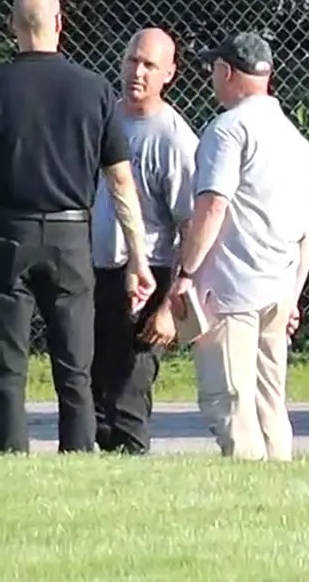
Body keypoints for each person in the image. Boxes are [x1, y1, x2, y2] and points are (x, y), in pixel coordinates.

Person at [0, 0, 154, 453]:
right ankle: (79, 451)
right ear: (59, 24)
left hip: (9, 232)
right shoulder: (94, 89)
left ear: (12, 27)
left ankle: (10, 451)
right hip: (71, 235)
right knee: (75, 364)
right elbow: (121, 183)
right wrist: (139, 258)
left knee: (7, 362)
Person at [170, 31, 309, 462]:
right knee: (270, 405)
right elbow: (307, 230)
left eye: (215, 69)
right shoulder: (296, 140)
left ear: (227, 71)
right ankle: (280, 494)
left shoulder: (228, 130)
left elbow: (214, 204)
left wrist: (186, 274)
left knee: (230, 401)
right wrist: (293, 296)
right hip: (277, 289)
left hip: (232, 290)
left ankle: (249, 490)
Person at [89, 27, 199, 454]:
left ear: (169, 73)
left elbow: (190, 229)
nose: (137, 72)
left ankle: (132, 468)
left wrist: (171, 306)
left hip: (146, 277)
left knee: (128, 396)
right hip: (93, 269)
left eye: (150, 65)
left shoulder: (173, 139)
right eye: (132, 60)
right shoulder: (102, 118)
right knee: (91, 394)